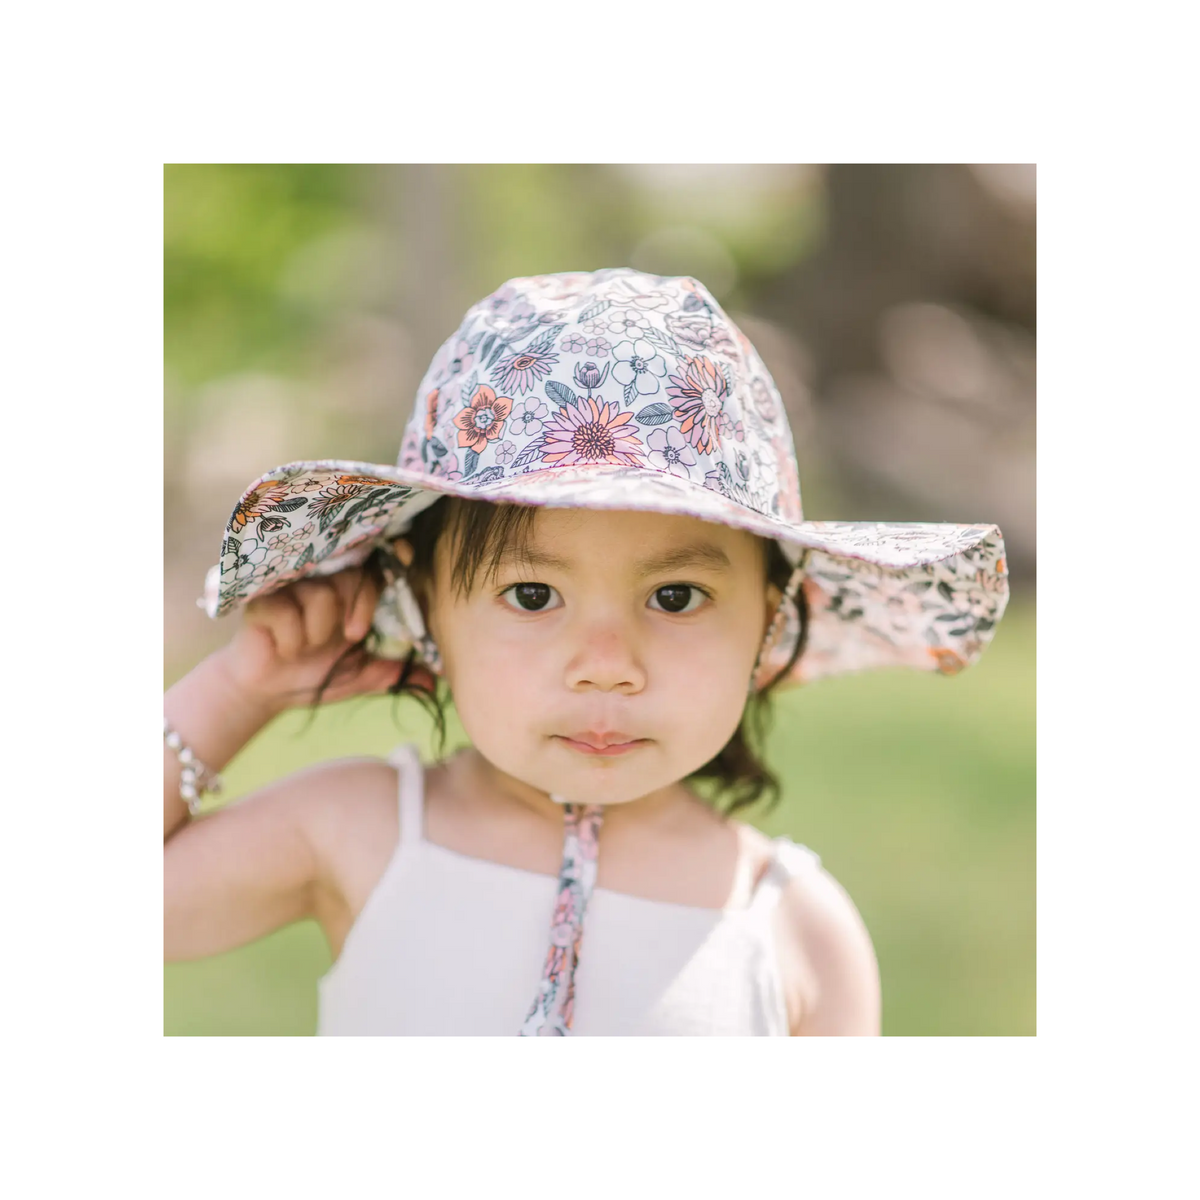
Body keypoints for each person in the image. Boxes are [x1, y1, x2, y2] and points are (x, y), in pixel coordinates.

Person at [164, 267, 1009, 1036]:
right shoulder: (362, 830)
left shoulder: (795, 932)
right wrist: (239, 689)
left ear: (771, 616)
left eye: (674, 597)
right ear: (425, 606)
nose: (607, 663)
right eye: (532, 596)